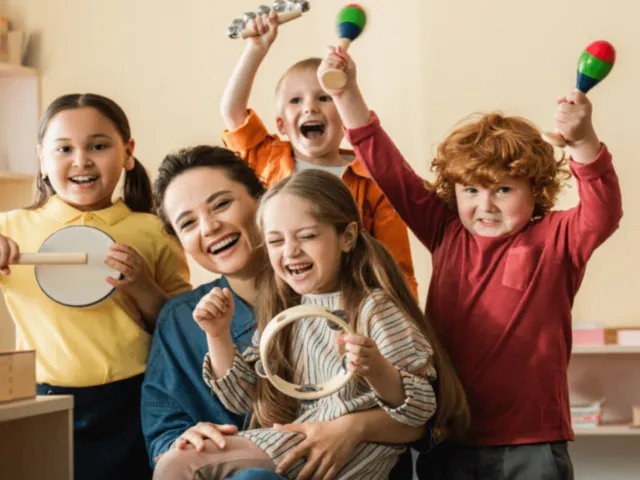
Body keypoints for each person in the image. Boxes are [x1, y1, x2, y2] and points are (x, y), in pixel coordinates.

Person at [317, 47, 623, 479]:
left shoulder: (556, 239)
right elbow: (389, 170)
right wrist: (346, 93)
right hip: (449, 436)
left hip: (531, 440)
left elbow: (603, 212)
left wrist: (583, 141)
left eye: (503, 190)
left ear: (535, 189)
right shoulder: (445, 231)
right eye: (471, 191)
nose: (486, 205)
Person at [151, 165, 469, 479]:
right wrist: (218, 335)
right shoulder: (287, 313)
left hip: (341, 457)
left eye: (307, 236)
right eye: (275, 241)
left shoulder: (374, 309)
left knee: (180, 465)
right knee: (178, 462)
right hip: (298, 446)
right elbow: (243, 398)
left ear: (347, 237)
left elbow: (421, 409)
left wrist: (376, 370)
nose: (291, 251)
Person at [0, 93, 192, 480]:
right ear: (42, 159)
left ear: (128, 152)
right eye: (64, 149)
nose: (81, 160)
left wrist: (142, 286)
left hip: (138, 398)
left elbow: (182, 328)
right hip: (43, 401)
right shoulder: (10, 228)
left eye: (98, 146)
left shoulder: (154, 230)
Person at [218, 11, 418, 297]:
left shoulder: (371, 179)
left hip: (348, 303)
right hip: (280, 300)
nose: (310, 107)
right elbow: (232, 112)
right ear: (281, 125)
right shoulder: (269, 159)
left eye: (324, 98)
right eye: (296, 100)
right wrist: (256, 49)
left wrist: (402, 312)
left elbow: (397, 266)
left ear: (343, 115)